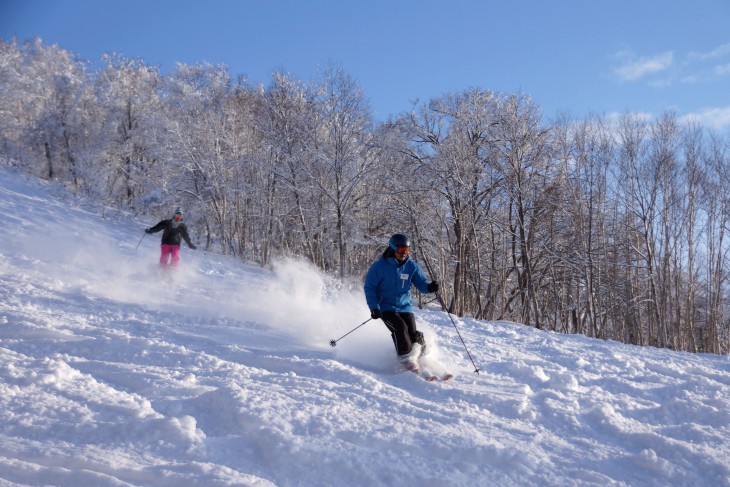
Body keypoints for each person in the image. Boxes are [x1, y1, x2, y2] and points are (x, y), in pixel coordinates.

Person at [364, 233, 439, 371]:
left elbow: (422, 284)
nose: (404, 253)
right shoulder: (379, 267)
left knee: (413, 333)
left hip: (405, 307)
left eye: (406, 250)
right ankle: (405, 360)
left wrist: (430, 287)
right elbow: (369, 288)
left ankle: (422, 357)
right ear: (392, 249)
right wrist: (374, 307)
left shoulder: (411, 266)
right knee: (400, 328)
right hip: (386, 308)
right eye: (400, 250)